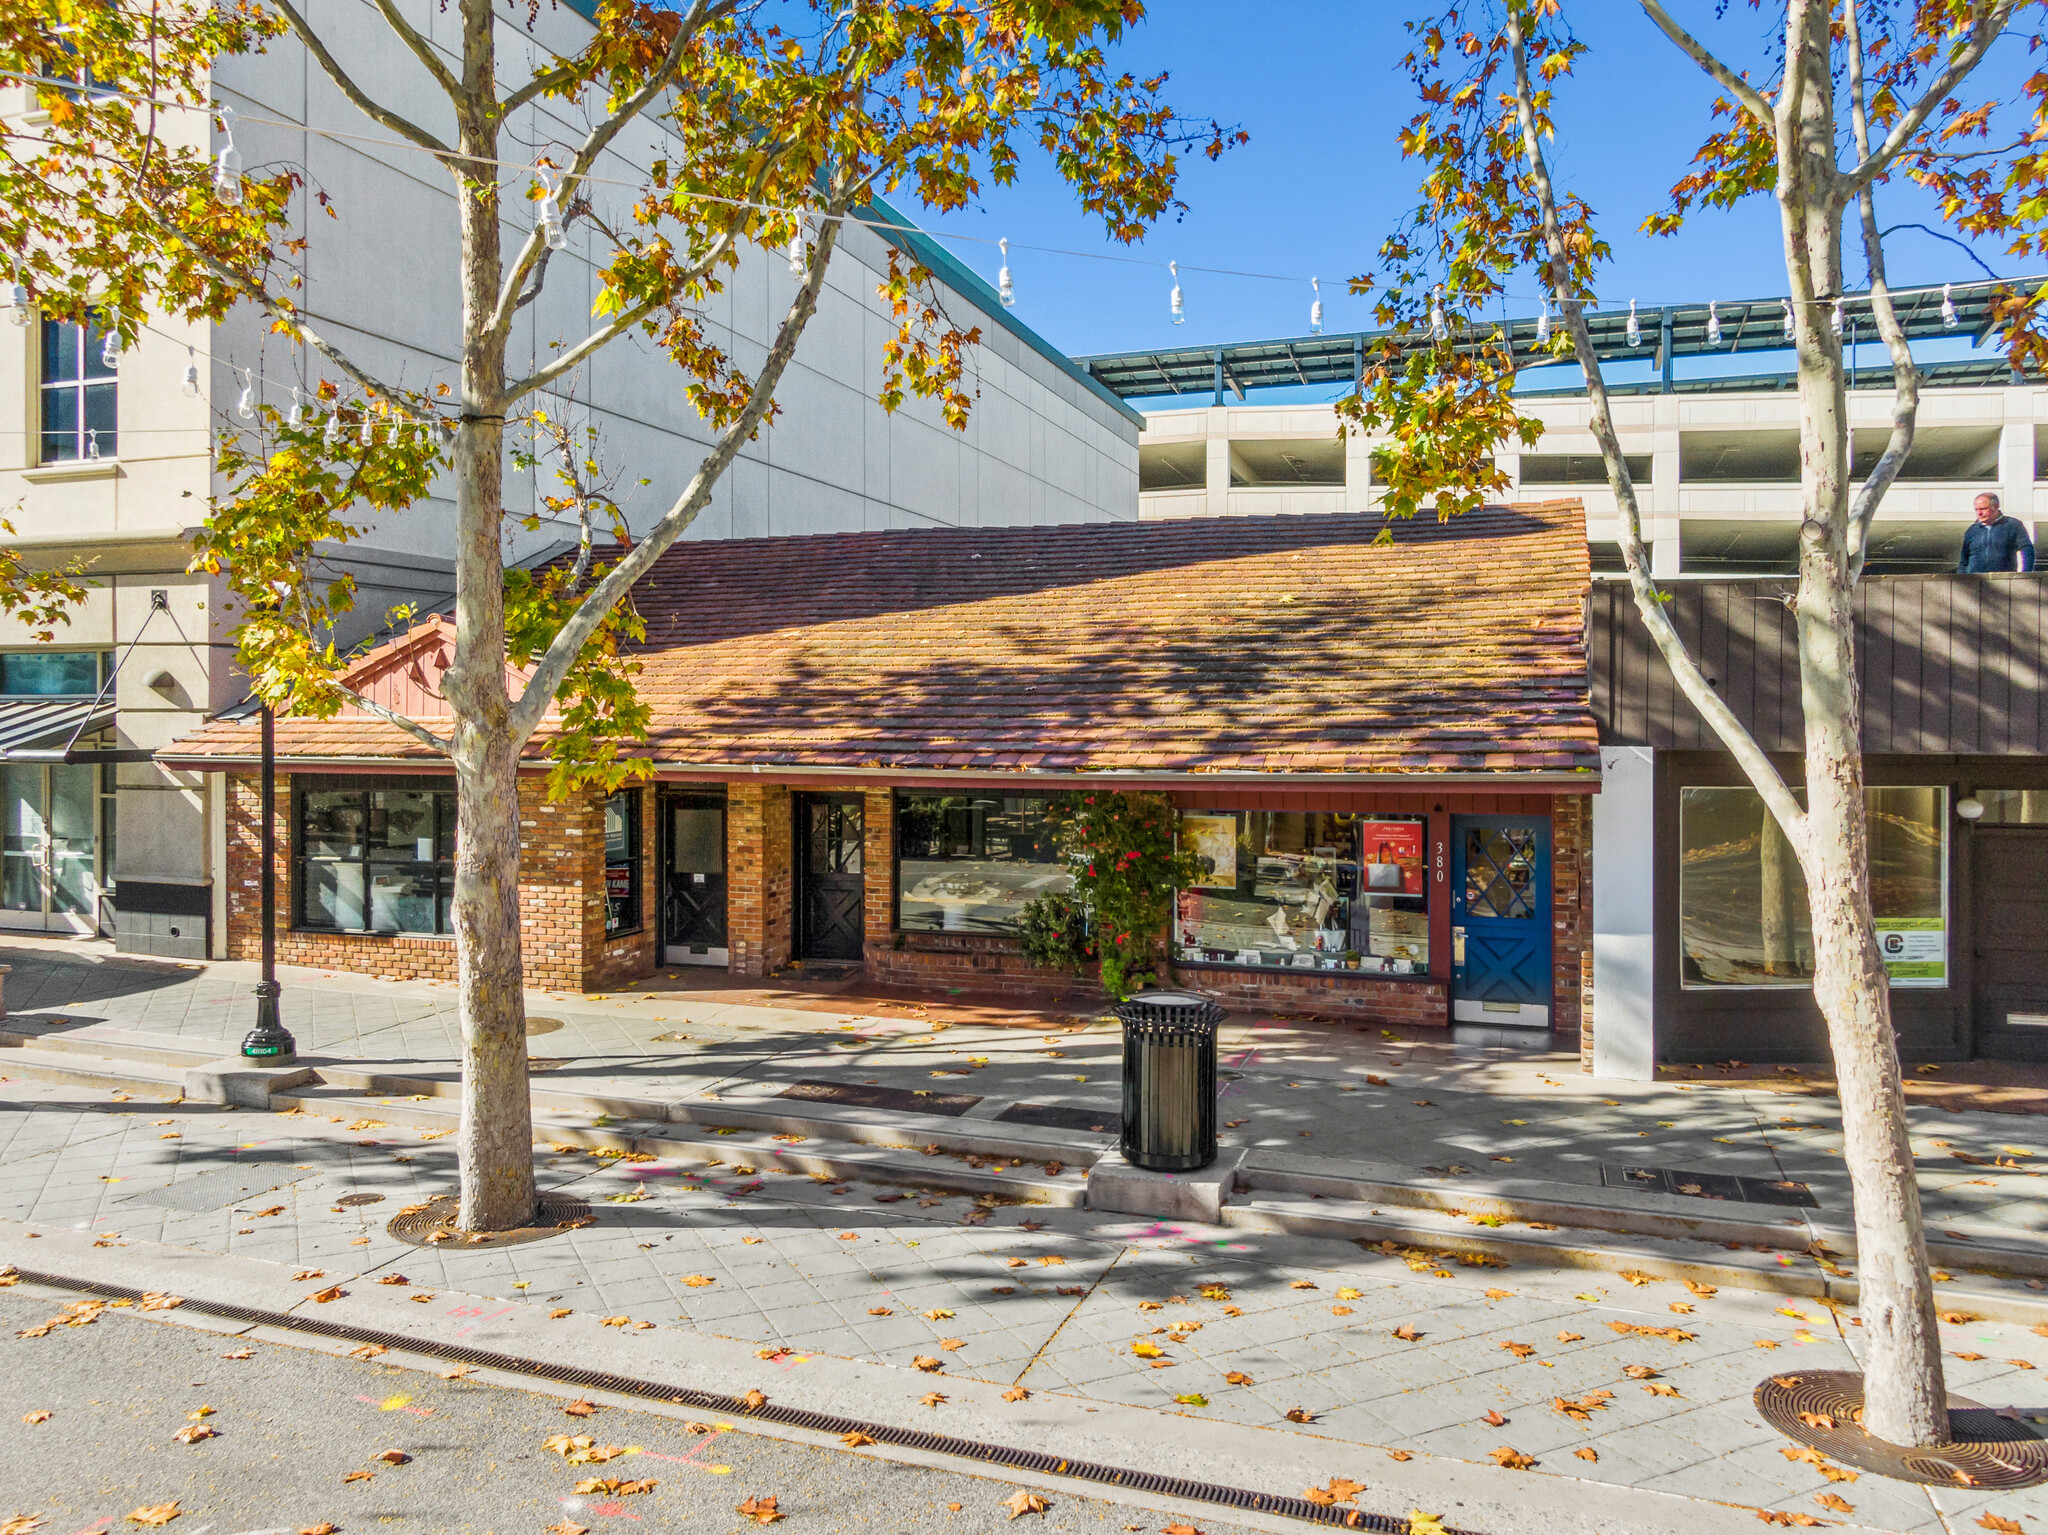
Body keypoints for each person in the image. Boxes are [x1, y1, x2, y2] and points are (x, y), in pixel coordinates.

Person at [1957, 492, 2036, 573]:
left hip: (2003, 580)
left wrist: (2025, 574)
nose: (1979, 513)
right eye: (1976, 509)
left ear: (1996, 506)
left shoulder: (2013, 525)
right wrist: (1961, 577)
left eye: (1983, 509)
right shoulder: (1972, 530)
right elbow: (1964, 560)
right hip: (1975, 580)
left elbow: (2027, 550)